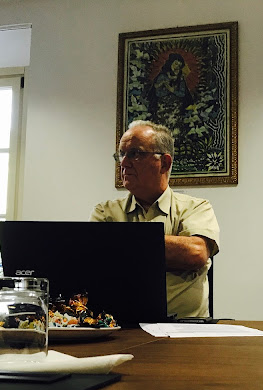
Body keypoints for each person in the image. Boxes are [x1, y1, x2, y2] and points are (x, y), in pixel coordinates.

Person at [90, 120, 219, 318]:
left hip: (185, 328)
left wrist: (118, 244)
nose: (123, 163)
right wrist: (167, 250)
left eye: (135, 153)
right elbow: (94, 259)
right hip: (120, 326)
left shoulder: (196, 207)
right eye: (121, 154)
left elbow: (195, 253)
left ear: (164, 163)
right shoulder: (105, 211)